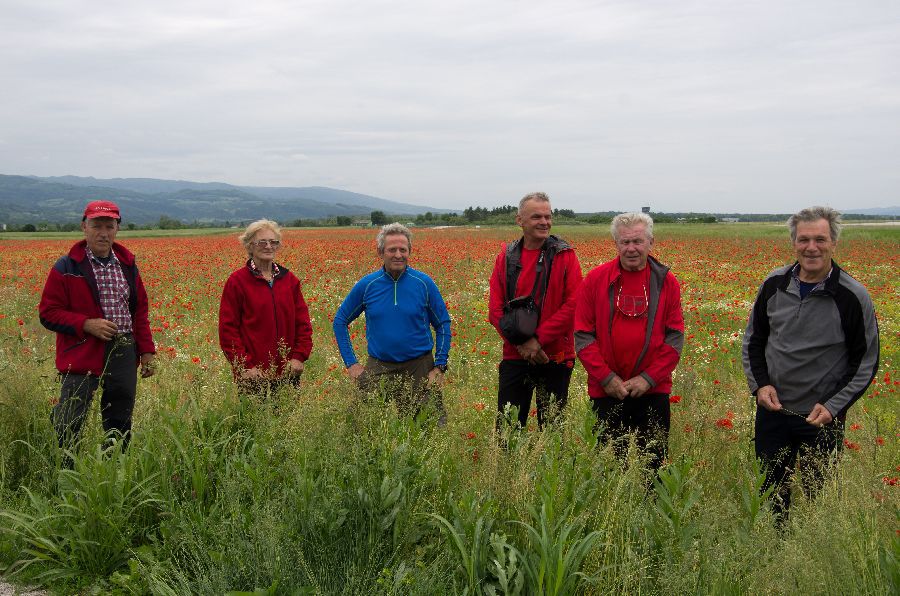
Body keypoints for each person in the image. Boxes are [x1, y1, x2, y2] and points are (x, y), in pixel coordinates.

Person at [742, 206, 879, 522]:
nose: (812, 247)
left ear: (834, 243)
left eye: (820, 239)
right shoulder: (774, 284)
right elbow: (753, 340)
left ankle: (812, 554)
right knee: (772, 493)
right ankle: (778, 550)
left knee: (819, 499)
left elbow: (866, 361)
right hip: (773, 411)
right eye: (804, 239)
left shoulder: (852, 296)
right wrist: (760, 385)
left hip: (821, 417)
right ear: (794, 243)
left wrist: (833, 406)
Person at [38, 200, 156, 455]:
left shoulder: (127, 266)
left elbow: (139, 312)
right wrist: (85, 324)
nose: (103, 232)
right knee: (71, 415)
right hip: (82, 348)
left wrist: (146, 351)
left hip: (123, 347)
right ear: (84, 226)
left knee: (120, 413)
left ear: (117, 229)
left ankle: (115, 466)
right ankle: (65, 469)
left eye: (109, 226)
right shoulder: (67, 267)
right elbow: (48, 313)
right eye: (97, 225)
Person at [574, 212, 684, 473]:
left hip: (652, 390)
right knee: (609, 470)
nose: (631, 248)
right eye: (625, 242)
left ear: (651, 242)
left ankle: (653, 512)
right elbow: (583, 336)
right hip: (607, 391)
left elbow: (674, 338)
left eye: (638, 241)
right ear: (616, 244)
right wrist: (606, 378)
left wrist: (648, 378)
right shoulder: (595, 280)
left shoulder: (666, 281)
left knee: (653, 468)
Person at [333, 223, 450, 423]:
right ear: (380, 252)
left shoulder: (423, 283)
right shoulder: (368, 285)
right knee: (365, 426)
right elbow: (340, 320)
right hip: (379, 366)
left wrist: (439, 366)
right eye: (392, 250)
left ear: (409, 252)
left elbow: (443, 324)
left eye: (403, 250)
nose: (398, 255)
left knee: (429, 428)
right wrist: (351, 364)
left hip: (419, 366)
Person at [488, 192, 583, 429]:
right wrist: (523, 346)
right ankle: (509, 468)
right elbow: (495, 310)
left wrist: (538, 341)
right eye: (536, 216)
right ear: (519, 220)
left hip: (556, 356)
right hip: (515, 355)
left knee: (551, 432)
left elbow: (574, 305)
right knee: (508, 431)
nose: (544, 222)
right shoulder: (506, 257)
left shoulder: (565, 255)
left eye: (548, 216)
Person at [219, 219, 313, 392]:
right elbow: (228, 330)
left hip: (288, 372)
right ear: (249, 245)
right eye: (262, 241)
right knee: (253, 418)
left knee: (288, 417)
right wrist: (245, 365)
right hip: (253, 375)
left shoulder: (290, 281)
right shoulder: (237, 282)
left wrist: (299, 357)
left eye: (273, 242)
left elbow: (303, 324)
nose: (268, 246)